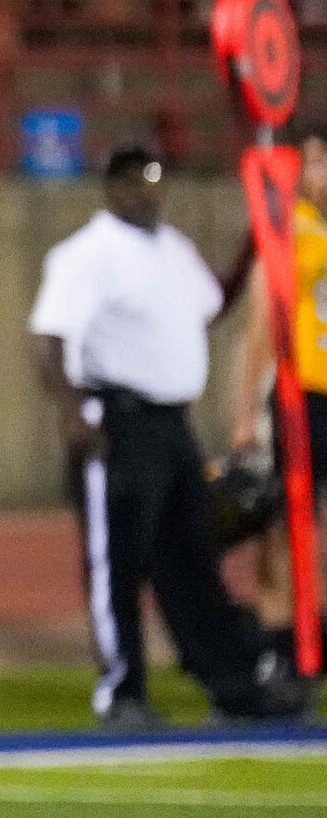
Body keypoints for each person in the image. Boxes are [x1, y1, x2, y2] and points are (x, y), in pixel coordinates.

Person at [29, 142, 299, 728]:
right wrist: (73, 414)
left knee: (191, 560)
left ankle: (231, 686)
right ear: (112, 187)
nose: (147, 192)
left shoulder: (171, 248)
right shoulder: (87, 254)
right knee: (116, 562)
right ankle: (122, 691)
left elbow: (210, 305)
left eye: (155, 180)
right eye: (135, 182)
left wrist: (257, 243)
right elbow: (49, 340)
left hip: (171, 425)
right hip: (116, 419)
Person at [232, 124, 327, 659]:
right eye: (310, 163)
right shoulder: (288, 229)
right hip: (300, 396)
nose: (318, 175)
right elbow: (261, 326)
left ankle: (311, 636)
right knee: (286, 526)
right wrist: (246, 411)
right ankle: (281, 643)